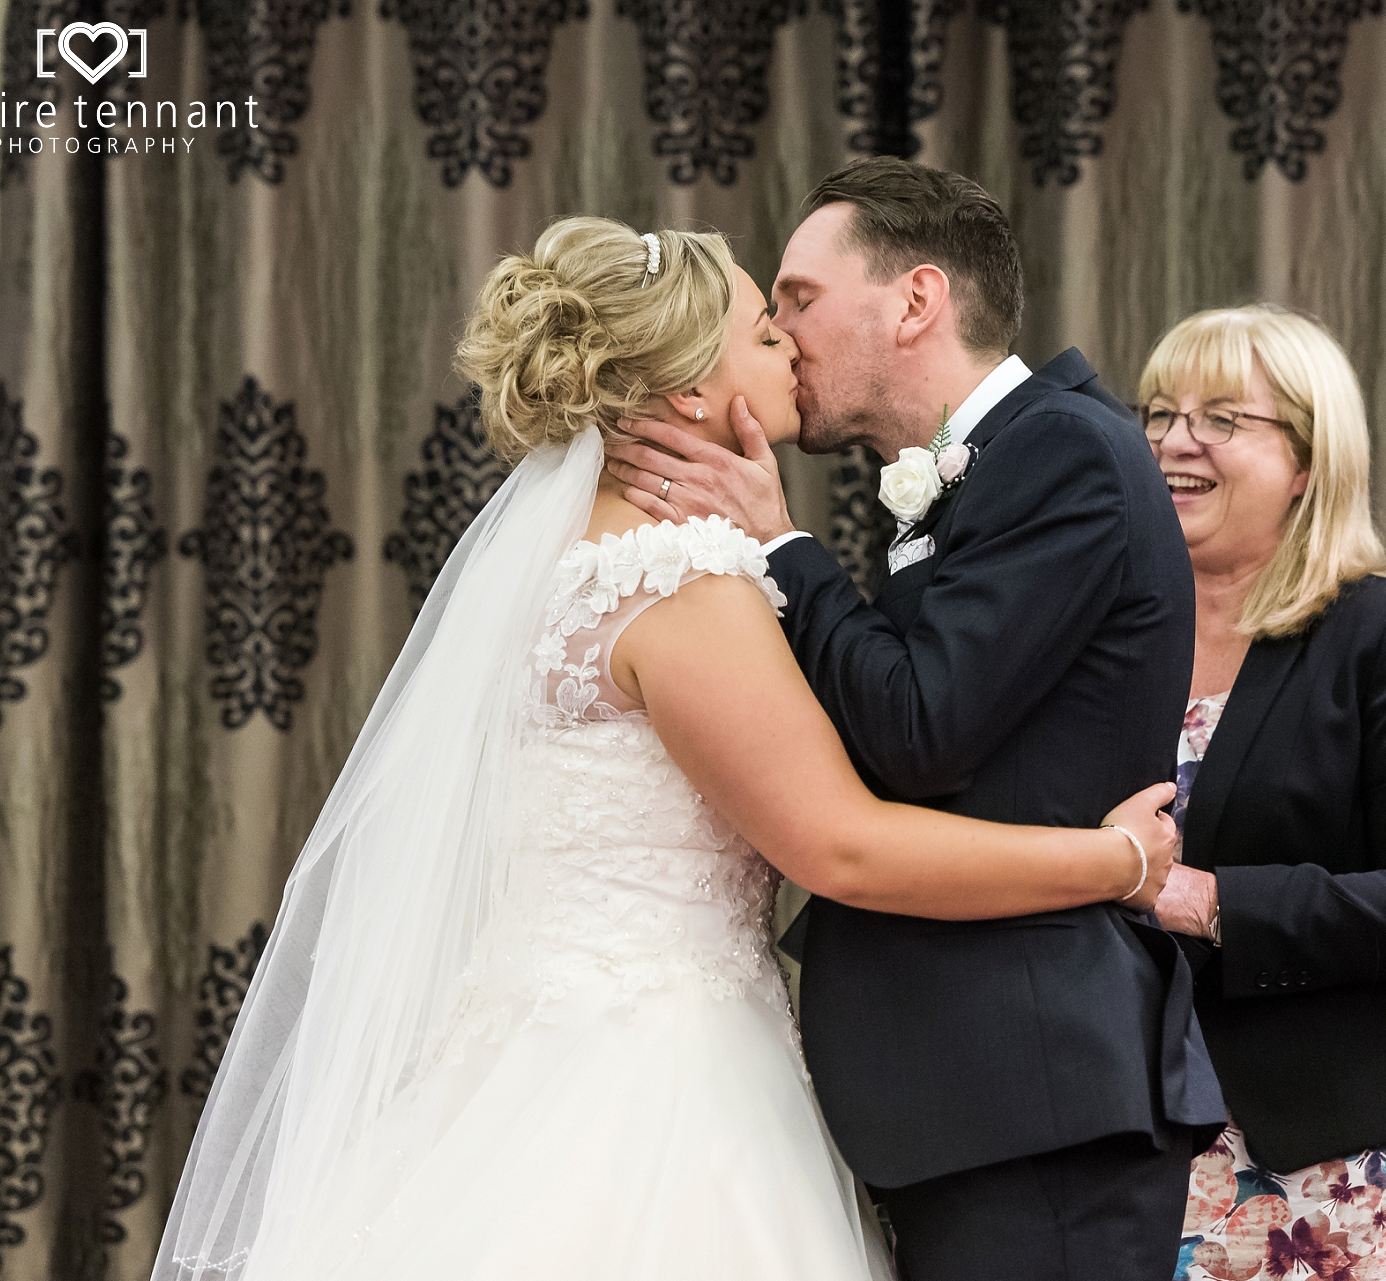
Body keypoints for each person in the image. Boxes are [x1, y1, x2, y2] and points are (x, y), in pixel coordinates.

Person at [153, 217, 1187, 1281]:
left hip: (533, 1053)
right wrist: (1115, 860)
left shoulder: (559, 567)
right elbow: (842, 847)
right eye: (763, 325)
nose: (790, 341)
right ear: (690, 388)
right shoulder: (679, 581)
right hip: (656, 1079)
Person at [606, 158, 1225, 1281]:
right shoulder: (978, 467)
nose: (784, 336)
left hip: (1033, 1091)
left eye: (797, 298)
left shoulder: (1066, 449)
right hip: (965, 1094)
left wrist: (785, 549)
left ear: (915, 300)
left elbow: (919, 726)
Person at [1132, 305, 1386, 1281]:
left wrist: (1206, 899)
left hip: (1329, 1172)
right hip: (1117, 1159)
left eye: (1219, 417)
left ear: (1306, 459)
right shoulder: (1106, 639)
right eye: (1157, 412)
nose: (1175, 439)